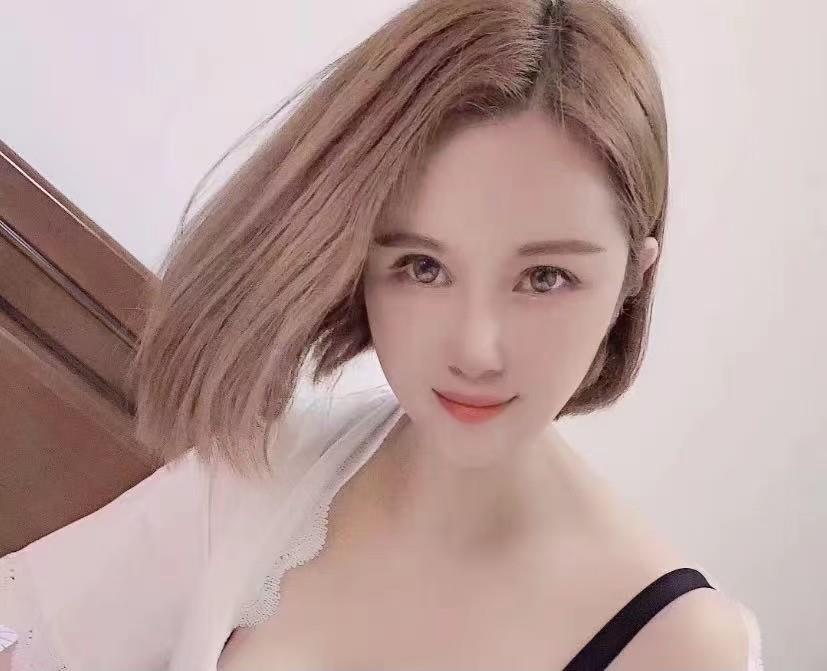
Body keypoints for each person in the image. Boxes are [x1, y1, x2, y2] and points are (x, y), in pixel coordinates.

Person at [1, 0, 765, 669]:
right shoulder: (264, 476)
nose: (475, 348)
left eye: (544, 278)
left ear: (632, 276)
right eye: (422, 266)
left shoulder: (680, 646)